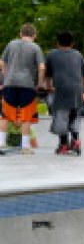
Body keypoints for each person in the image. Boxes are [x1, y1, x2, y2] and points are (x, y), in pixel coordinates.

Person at [44, 31, 84, 155]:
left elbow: (47, 75)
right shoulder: (78, 54)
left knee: (61, 117)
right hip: (76, 90)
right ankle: (76, 141)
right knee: (74, 115)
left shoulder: (52, 54)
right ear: (73, 43)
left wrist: (49, 87)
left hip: (60, 89)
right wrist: (83, 86)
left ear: (57, 42)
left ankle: (64, 144)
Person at [0, 23, 46, 154]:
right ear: (34, 36)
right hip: (27, 84)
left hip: (10, 83)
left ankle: (1, 143)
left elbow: (2, 62)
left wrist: (6, 76)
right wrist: (39, 83)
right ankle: (25, 146)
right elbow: (42, 67)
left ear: (20, 34)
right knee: (26, 115)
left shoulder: (11, 44)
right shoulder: (35, 47)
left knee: (5, 114)